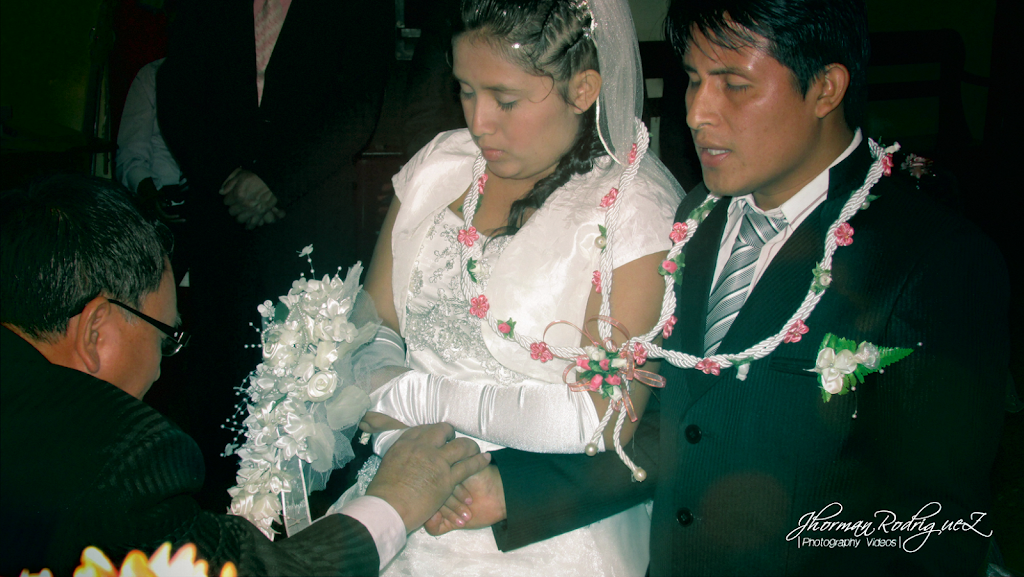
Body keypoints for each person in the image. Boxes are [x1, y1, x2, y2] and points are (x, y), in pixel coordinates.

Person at [436, 1, 1012, 575]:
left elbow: (936, 527)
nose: (696, 113)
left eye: (734, 85)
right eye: (693, 79)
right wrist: (512, 490)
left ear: (825, 89)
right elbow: (679, 422)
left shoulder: (929, 262)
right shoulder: (699, 217)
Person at [330, 0, 683, 574]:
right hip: (403, 480)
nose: (479, 122)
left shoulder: (633, 209)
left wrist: (417, 401)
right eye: (466, 91)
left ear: (583, 89)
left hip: (537, 517)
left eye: (506, 99)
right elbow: (374, 324)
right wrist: (404, 450)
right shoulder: (439, 166)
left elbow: (603, 414)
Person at [0, 175, 490, 577]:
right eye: (165, 337)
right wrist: (393, 502)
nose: (162, 365)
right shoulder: (120, 453)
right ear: (95, 334)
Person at [156, 0, 394, 509]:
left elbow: (356, 109)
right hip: (223, 220)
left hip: (311, 218)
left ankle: (304, 518)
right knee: (220, 372)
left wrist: (274, 183)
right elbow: (177, 96)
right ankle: (219, 511)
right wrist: (226, 177)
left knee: (311, 376)